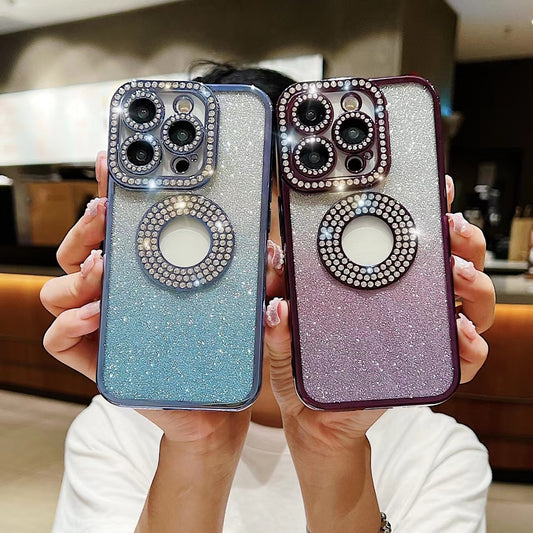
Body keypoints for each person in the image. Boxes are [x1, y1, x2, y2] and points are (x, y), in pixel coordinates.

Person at [40, 64, 496, 533]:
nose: (232, 247)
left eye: (268, 215)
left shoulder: (437, 454)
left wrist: (332, 449)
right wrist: (199, 447)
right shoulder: (116, 431)